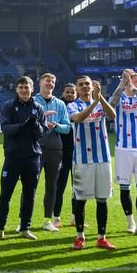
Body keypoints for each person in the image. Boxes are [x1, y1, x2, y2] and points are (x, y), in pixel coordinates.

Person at [0, 76, 45, 241]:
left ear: (32, 89)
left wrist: (35, 124)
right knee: (5, 195)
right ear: (16, 89)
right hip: (13, 157)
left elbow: (41, 134)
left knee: (30, 194)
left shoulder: (38, 108)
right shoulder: (8, 106)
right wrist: (23, 126)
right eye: (21, 87)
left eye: (26, 87)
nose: (24, 90)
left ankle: (24, 228)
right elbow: (5, 128)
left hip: (32, 158)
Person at [68, 76, 117, 250]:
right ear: (77, 88)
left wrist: (100, 98)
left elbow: (112, 115)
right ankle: (80, 237)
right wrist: (94, 103)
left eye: (87, 84)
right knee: (80, 199)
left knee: (102, 199)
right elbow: (79, 118)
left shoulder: (100, 102)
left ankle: (101, 238)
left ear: (92, 86)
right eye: (80, 84)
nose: (84, 87)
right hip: (82, 160)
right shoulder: (72, 105)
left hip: (102, 159)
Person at [108, 68, 137, 236]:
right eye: (136, 80)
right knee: (125, 187)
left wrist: (134, 87)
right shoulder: (119, 98)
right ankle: (130, 222)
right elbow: (110, 105)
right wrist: (122, 83)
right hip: (123, 149)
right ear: (127, 81)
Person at [34, 73, 71, 232]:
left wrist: (55, 126)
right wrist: (42, 123)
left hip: (55, 148)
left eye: (53, 81)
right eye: (47, 80)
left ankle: (47, 220)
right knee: (31, 185)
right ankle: (24, 221)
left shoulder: (60, 104)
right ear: (40, 82)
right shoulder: (32, 101)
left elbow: (67, 127)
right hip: (35, 146)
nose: (50, 83)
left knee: (51, 185)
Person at [52, 83, 77, 228]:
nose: (70, 94)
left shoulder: (80, 108)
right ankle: (56, 218)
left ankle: (75, 217)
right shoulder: (60, 108)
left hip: (77, 155)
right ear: (63, 93)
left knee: (77, 188)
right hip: (62, 154)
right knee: (59, 187)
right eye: (67, 92)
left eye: (72, 92)